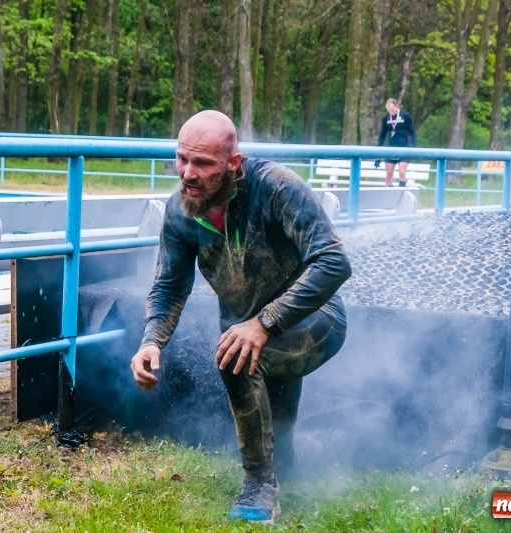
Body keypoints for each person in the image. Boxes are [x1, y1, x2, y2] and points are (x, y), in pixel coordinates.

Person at [130, 110, 352, 523]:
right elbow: (169, 286)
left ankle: (258, 486)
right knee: (282, 451)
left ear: (233, 163)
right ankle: (305, 455)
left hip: (318, 320)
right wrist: (150, 342)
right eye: (182, 159)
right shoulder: (181, 212)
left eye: (203, 163)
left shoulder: (276, 187)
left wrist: (264, 322)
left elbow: (334, 261)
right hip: (249, 328)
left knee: (234, 354)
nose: (188, 174)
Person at [376, 98, 417, 187]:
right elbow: (382, 136)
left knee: (402, 172)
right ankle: (388, 195)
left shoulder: (405, 116)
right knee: (389, 174)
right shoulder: (386, 118)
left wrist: (415, 148)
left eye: (392, 110)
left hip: (404, 148)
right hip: (391, 149)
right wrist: (377, 154)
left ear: (397, 106)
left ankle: (401, 192)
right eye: (389, 110)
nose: (391, 112)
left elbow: (412, 132)